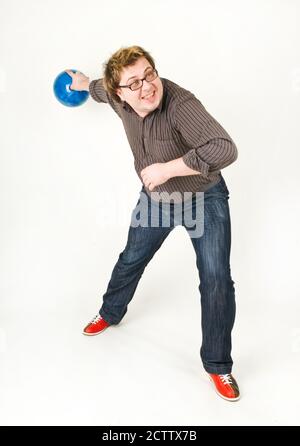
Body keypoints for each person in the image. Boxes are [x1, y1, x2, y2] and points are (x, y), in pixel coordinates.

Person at [66, 45, 240, 402]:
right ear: (120, 94)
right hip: (157, 202)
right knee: (132, 258)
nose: (147, 86)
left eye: (150, 74)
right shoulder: (116, 98)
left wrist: (168, 168)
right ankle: (109, 313)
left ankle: (218, 365)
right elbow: (100, 88)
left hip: (203, 198)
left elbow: (225, 148)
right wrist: (83, 84)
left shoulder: (180, 104)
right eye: (134, 82)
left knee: (216, 278)